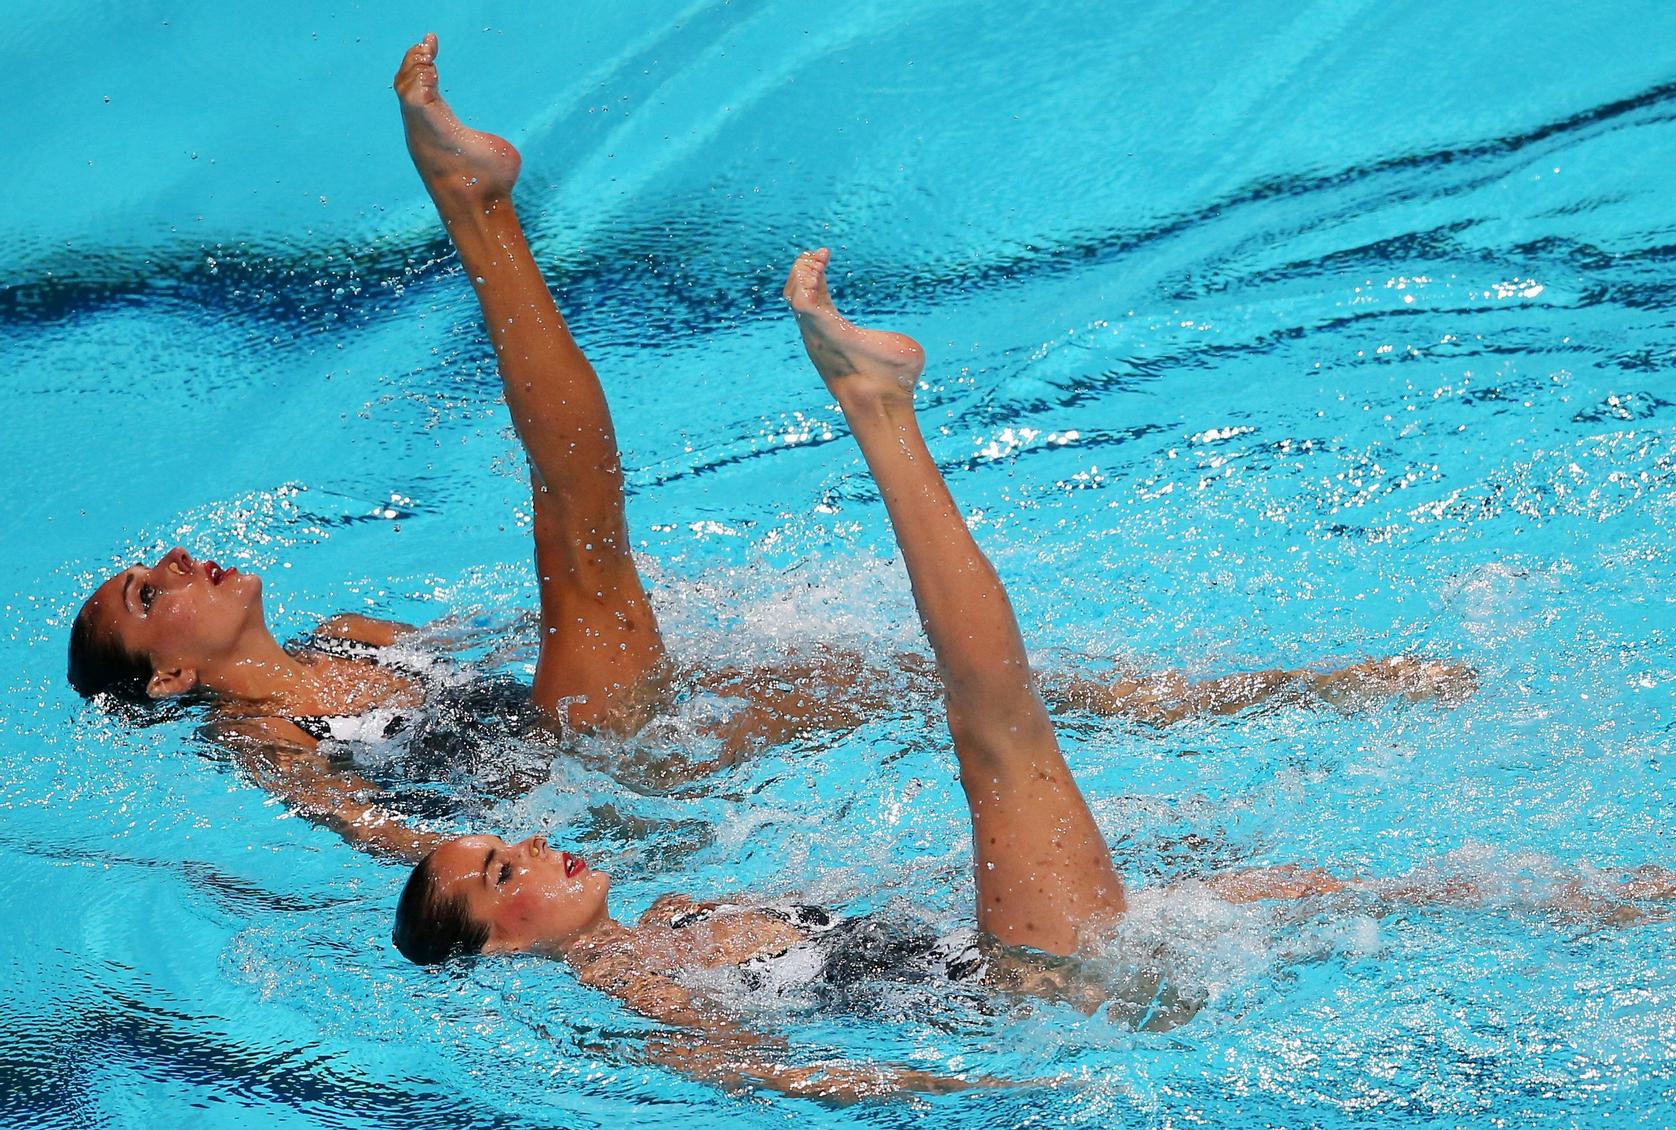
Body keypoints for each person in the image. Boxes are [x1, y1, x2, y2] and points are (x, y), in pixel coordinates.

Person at [391, 245, 1676, 1101]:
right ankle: (879, 416)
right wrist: (999, 1089)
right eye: (501, 873)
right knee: (994, 730)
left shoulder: (663, 920)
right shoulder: (639, 1001)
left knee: (1458, 890)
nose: (531, 850)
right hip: (1032, 994)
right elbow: (821, 1093)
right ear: (495, 950)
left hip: (1024, 958)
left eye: (500, 840)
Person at [62, 35, 1474, 864]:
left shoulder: (361, 625)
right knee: (576, 509)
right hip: (581, 759)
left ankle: (1291, 695)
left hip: (628, 721)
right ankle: (476, 210)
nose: (180, 559)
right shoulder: (261, 743)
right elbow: (419, 855)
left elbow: (479, 651)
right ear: (170, 671)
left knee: (938, 692)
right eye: (150, 592)